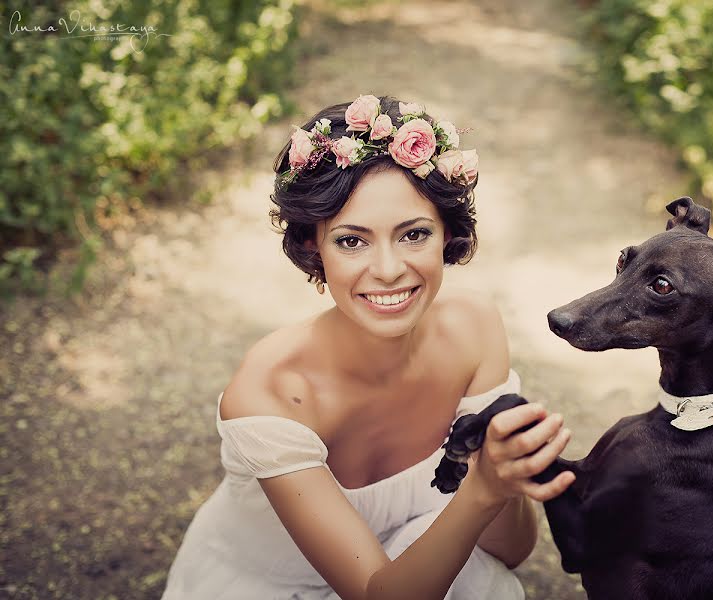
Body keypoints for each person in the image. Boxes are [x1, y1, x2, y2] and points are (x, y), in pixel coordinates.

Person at [161, 95, 575, 600]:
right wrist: (482, 488)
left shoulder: (475, 328)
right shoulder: (272, 393)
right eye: (351, 241)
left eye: (413, 234)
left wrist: (501, 480)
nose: (387, 270)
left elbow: (507, 554)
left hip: (422, 561)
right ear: (313, 245)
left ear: (447, 234)